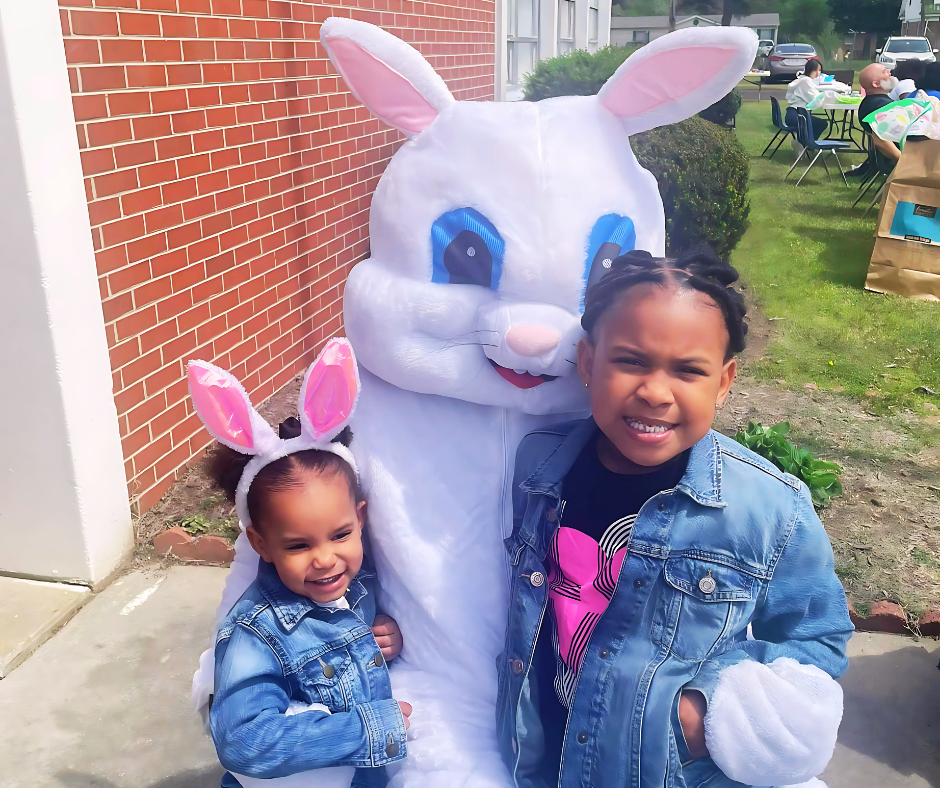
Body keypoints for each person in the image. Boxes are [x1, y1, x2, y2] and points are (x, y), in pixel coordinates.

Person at [496, 247, 853, 788]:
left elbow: (818, 642)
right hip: (539, 760)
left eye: (688, 370)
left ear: (725, 380)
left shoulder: (772, 510)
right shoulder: (538, 463)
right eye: (631, 361)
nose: (655, 393)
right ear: (589, 362)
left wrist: (706, 711)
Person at [190, 347, 410, 788]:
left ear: (360, 521)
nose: (326, 558)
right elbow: (244, 740)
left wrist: (379, 636)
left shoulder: (356, 588)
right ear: (261, 544)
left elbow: (340, 644)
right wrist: (370, 728)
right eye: (298, 544)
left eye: (340, 534)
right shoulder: (257, 633)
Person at [785, 58, 849, 140]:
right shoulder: (806, 81)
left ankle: (805, 144)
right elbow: (814, 99)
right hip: (796, 115)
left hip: (794, 113)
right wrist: (827, 96)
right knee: (821, 124)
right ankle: (808, 144)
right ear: (810, 70)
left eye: (819, 70)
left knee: (819, 123)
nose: (818, 73)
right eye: (816, 70)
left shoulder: (802, 79)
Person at [859, 62, 902, 164]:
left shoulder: (872, 102)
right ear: (876, 84)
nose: (889, 71)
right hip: (908, 155)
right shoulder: (878, 106)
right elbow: (881, 141)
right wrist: (903, 161)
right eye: (885, 71)